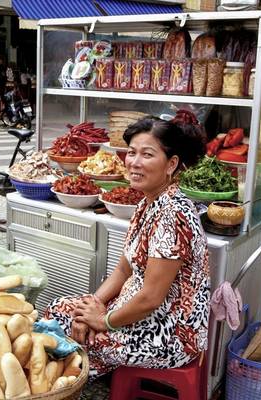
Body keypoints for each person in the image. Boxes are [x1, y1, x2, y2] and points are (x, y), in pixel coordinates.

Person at [45, 115, 211, 379]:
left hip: (170, 332)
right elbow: (123, 270)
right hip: (135, 312)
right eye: (131, 152)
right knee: (61, 311)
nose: (134, 162)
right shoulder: (146, 202)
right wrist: (92, 306)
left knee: (77, 340)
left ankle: (63, 382)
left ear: (172, 164)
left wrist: (103, 321)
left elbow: (151, 298)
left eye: (147, 154)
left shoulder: (173, 214)